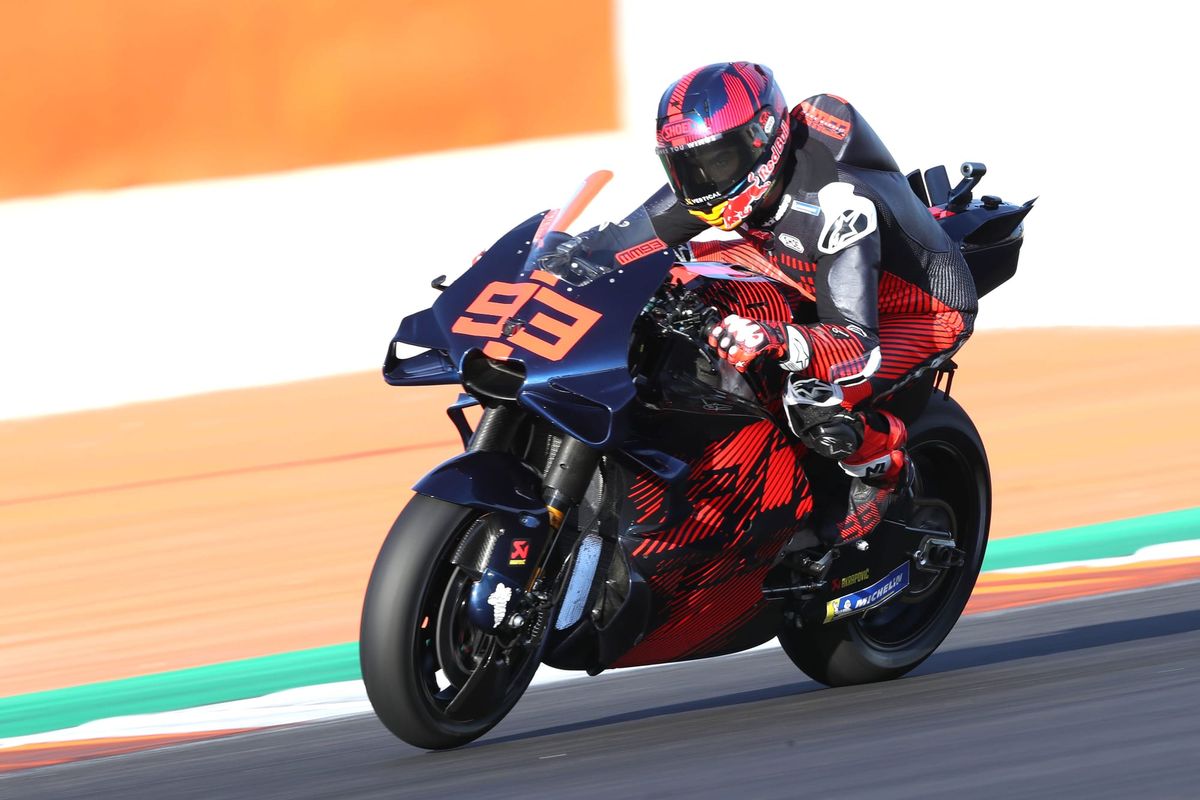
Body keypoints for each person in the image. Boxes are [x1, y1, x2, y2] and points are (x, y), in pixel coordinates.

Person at [547, 62, 977, 545]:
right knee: (673, 278)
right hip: (794, 264)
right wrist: (559, 259)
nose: (702, 178)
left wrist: (774, 337)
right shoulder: (716, 183)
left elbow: (856, 343)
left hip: (914, 311)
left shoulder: (838, 204)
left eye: (717, 161)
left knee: (811, 396)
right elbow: (618, 247)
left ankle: (882, 467)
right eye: (687, 165)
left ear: (762, 139)